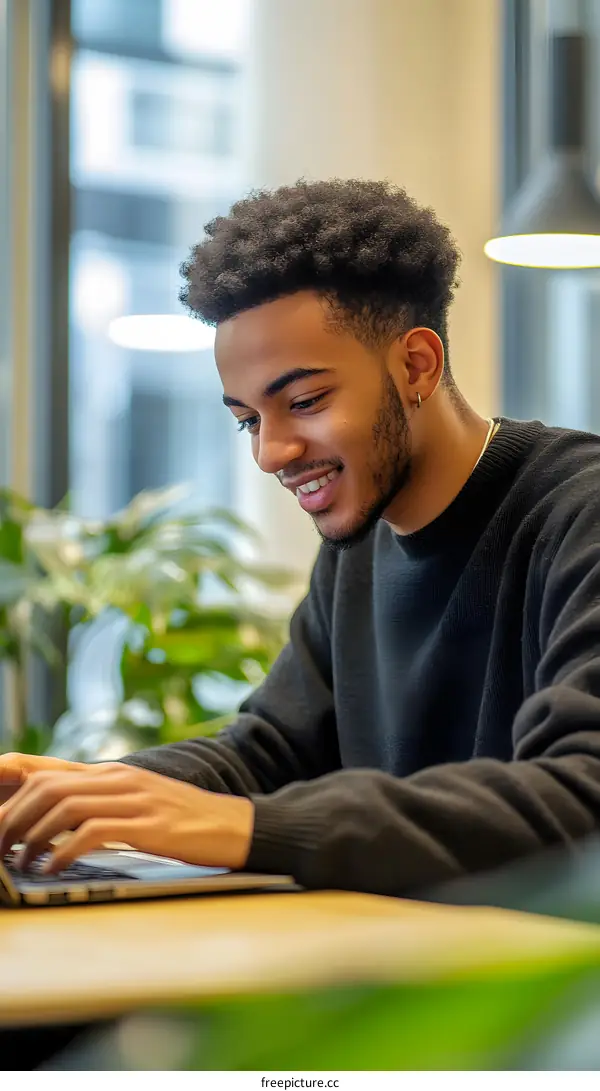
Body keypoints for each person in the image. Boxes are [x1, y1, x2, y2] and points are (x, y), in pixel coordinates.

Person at [2, 177, 600, 897]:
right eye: (250, 419)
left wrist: (243, 826)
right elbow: (271, 751)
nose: (272, 453)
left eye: (305, 401)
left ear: (416, 365)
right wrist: (90, 791)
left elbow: (582, 796)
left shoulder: (579, 513)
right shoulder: (359, 548)